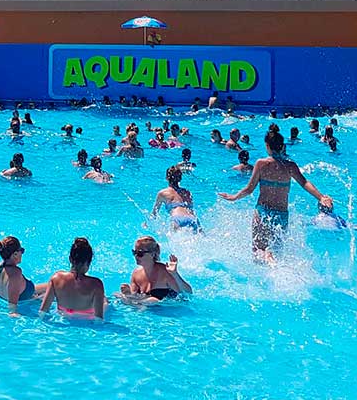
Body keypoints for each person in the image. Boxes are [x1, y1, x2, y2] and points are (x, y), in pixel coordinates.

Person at [219, 129, 335, 263]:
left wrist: (234, 197)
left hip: (263, 211)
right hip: (281, 214)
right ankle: (273, 264)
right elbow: (304, 182)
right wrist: (320, 197)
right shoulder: (290, 166)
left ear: (267, 146)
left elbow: (249, 189)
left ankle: (265, 262)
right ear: (281, 146)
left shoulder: (261, 164)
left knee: (258, 250)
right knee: (277, 252)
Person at [39, 237, 106, 319]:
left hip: (63, 317)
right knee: (106, 301)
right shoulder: (96, 284)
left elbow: (42, 311)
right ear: (89, 262)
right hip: (86, 319)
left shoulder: (56, 278)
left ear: (70, 259)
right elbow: (98, 318)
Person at [120, 236, 193, 304]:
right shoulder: (136, 274)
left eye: (140, 253)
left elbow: (188, 293)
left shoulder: (164, 272)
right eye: (134, 252)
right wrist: (128, 294)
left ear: (152, 254)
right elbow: (134, 298)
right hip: (146, 308)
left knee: (153, 300)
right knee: (118, 295)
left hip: (167, 310)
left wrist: (174, 274)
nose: (136, 256)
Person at [0, 236, 47, 314]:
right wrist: (13, 313)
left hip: (25, 293)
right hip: (29, 300)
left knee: (51, 285)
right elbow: (12, 305)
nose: (22, 254)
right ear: (15, 254)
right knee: (58, 290)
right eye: (22, 251)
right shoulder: (15, 274)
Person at [152, 166, 199, 231]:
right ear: (180, 178)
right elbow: (192, 210)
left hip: (177, 218)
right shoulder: (187, 192)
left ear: (166, 178)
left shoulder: (163, 193)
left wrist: (147, 223)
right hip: (191, 218)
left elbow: (154, 214)